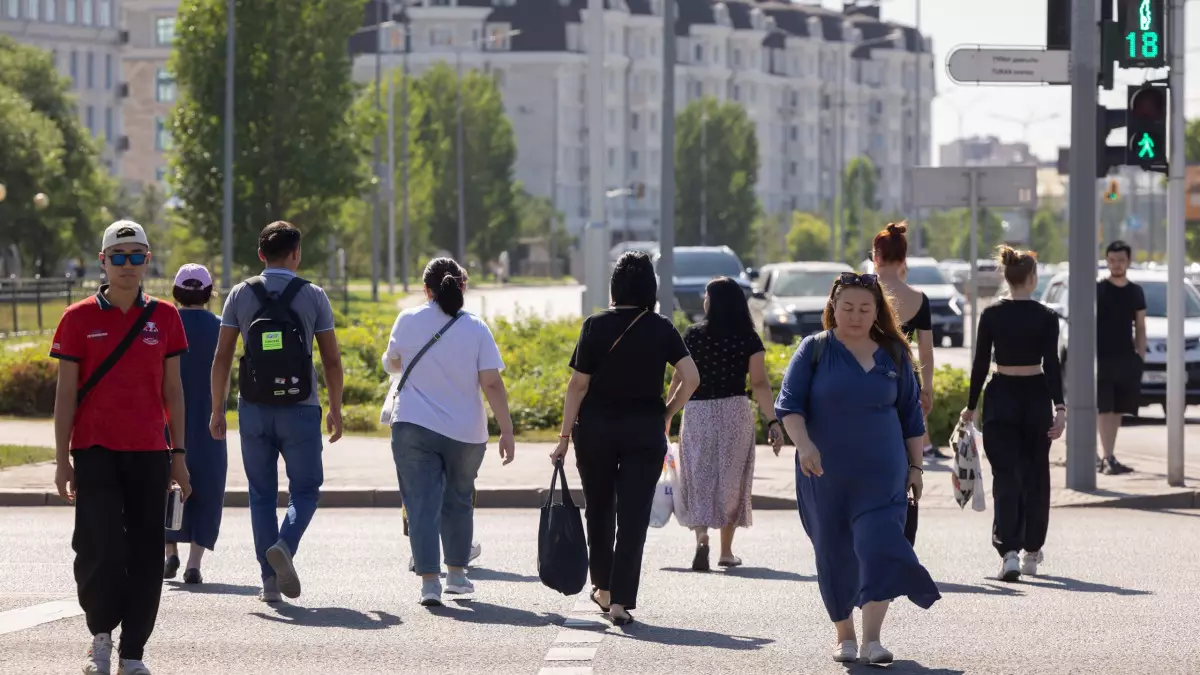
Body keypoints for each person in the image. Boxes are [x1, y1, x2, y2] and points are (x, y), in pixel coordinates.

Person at [775, 271, 940, 665]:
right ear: (833, 308)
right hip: (824, 473)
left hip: (884, 474)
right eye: (847, 307)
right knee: (833, 552)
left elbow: (911, 420)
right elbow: (790, 406)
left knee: (879, 545)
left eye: (865, 308)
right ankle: (844, 634)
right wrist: (804, 445)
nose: (855, 315)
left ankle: (873, 639)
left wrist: (916, 468)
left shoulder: (895, 354)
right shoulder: (814, 350)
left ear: (877, 311)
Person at [51, 220, 192, 675]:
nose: (128, 266)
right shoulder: (77, 318)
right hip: (94, 452)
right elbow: (65, 396)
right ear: (104, 262)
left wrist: (180, 455)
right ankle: (100, 637)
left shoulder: (166, 317)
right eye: (119, 256)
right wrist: (60, 462)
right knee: (99, 550)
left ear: (147, 261)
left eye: (137, 257)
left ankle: (133, 652)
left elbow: (174, 392)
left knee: (147, 554)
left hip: (150, 452)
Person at [550, 251, 701, 626]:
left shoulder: (594, 325)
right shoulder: (661, 327)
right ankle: (621, 602)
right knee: (633, 517)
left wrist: (564, 435)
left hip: (596, 431)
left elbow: (577, 385)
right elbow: (691, 377)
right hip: (644, 432)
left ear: (615, 286)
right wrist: (667, 411)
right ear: (651, 287)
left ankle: (602, 587)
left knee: (599, 509)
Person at [209, 221, 345, 603]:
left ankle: (269, 582)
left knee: (261, 494)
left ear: (260, 256)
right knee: (305, 489)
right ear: (296, 254)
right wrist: (335, 407)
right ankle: (285, 544)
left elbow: (221, 357)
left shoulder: (239, 294)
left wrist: (216, 410)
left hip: (252, 408)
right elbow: (331, 361)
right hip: (300, 408)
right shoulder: (313, 295)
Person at [383, 257, 516, 607]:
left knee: (420, 503)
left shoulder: (407, 320)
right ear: (463, 287)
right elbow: (491, 382)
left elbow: (392, 363)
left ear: (426, 289)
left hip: (412, 424)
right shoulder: (476, 328)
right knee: (458, 500)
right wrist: (507, 428)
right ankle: (456, 574)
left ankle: (429, 582)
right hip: (465, 432)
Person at [961, 246, 1066, 582]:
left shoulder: (991, 315)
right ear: (1033, 279)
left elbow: (979, 363)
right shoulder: (1047, 317)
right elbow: (1052, 364)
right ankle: (1032, 551)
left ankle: (1009, 553)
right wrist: (1060, 408)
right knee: (1036, 476)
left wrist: (971, 405)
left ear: (1006, 277)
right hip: (1035, 398)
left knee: (1005, 477)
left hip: (1000, 396)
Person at [669, 276, 783, 571]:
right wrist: (772, 421)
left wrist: (667, 415)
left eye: (707, 296)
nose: (704, 301)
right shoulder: (748, 337)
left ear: (714, 302)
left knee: (698, 476)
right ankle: (726, 551)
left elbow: (679, 379)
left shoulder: (692, 335)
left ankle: (701, 537)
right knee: (732, 479)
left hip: (697, 413)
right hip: (735, 410)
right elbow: (759, 382)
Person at [163, 264, 227, 586]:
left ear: (176, 293)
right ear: (208, 293)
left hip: (168, 421)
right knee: (208, 490)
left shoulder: (164, 323)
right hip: (209, 420)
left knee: (167, 486)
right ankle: (194, 563)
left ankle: (170, 550)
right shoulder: (220, 327)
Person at [872, 223, 940, 463]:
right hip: (906, 376)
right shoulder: (920, 299)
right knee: (907, 452)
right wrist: (927, 388)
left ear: (876, 256)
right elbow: (926, 351)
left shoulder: (864, 292)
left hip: (866, 374)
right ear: (903, 259)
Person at [1095, 240, 1144, 475]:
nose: (1116, 265)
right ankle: (1106, 457)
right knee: (1104, 409)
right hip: (1102, 359)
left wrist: (1140, 357)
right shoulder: (1098, 289)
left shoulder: (1136, 291)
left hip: (1126, 358)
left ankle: (1109, 455)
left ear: (1129, 262)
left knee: (1117, 410)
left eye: (1121, 260)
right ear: (1106, 261)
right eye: (1112, 260)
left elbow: (1141, 326)